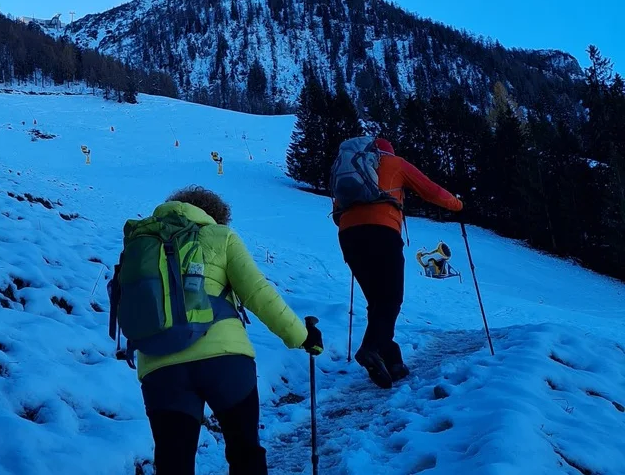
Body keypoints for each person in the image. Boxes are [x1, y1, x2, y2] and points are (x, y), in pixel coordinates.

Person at [119, 186, 322, 475]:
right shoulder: (220, 236)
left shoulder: (142, 245)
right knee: (245, 452)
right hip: (225, 361)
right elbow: (259, 294)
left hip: (160, 366)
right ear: (214, 214)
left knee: (173, 463)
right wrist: (302, 336)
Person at [334, 138, 462, 388]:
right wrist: (457, 204)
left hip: (349, 237)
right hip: (382, 233)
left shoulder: (349, 171)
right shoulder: (395, 164)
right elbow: (431, 191)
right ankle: (370, 349)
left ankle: (392, 361)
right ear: (388, 152)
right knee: (391, 299)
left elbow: (337, 213)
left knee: (378, 301)